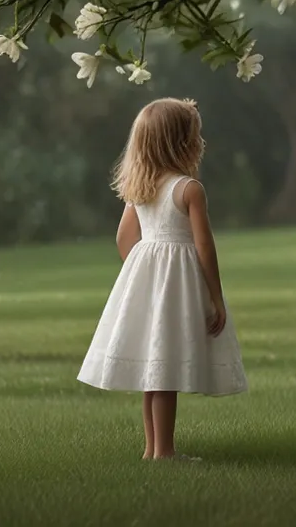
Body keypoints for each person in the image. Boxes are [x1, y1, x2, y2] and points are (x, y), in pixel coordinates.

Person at [77, 97, 248, 461]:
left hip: (155, 284)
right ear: (182, 142)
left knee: (154, 371)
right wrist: (215, 297)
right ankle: (165, 452)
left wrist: (144, 274)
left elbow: (125, 240)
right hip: (179, 288)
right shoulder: (189, 189)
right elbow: (204, 247)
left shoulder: (141, 190)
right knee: (165, 370)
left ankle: (152, 449)